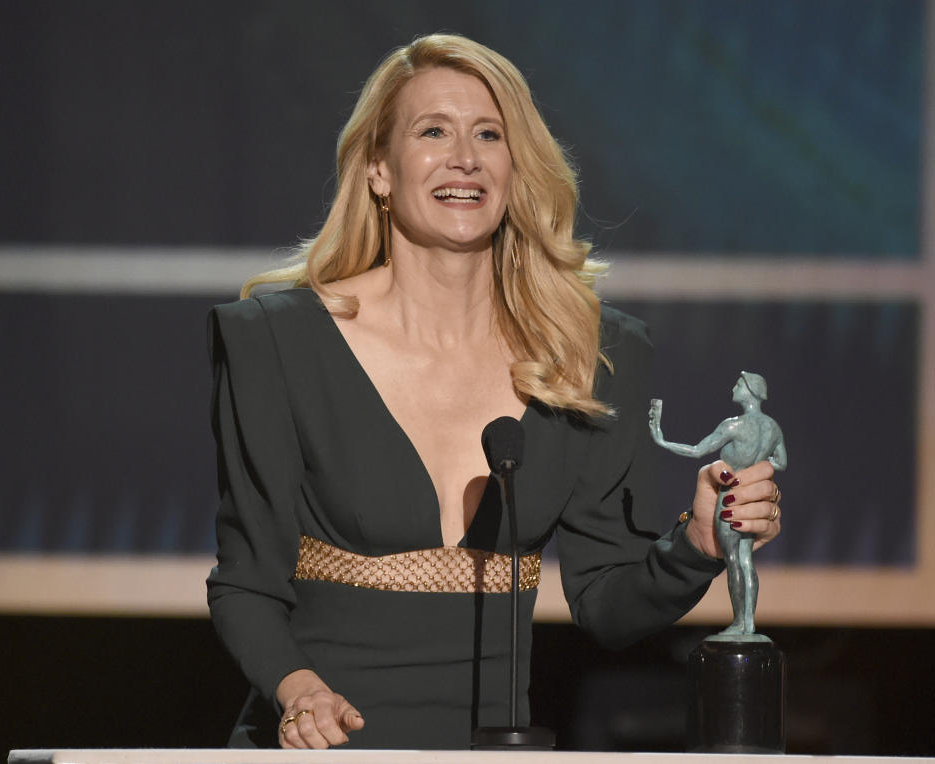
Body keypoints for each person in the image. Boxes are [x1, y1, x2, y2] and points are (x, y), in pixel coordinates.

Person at [207, 33, 784, 750]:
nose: (466, 159)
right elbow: (245, 585)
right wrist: (300, 691)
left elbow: (607, 602)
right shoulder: (278, 341)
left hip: (494, 749)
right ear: (380, 170)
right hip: (319, 749)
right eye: (433, 132)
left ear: (516, 168)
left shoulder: (591, 353)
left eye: (489, 134)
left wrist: (697, 542)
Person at [649, 372, 787, 637]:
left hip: (732, 500)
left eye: (738, 384)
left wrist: (662, 440)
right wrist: (757, 466)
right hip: (752, 497)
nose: (733, 387)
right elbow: (781, 462)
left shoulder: (733, 425)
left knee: (734, 560)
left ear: (749, 390)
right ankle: (748, 623)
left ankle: (740, 623)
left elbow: (698, 451)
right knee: (746, 561)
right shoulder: (772, 427)